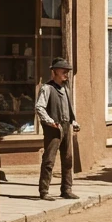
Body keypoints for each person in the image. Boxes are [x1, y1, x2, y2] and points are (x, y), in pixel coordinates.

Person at [35, 57, 80, 201]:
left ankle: (66, 189)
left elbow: (68, 109)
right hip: (53, 128)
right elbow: (39, 107)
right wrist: (49, 121)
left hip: (66, 127)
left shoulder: (66, 89)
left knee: (67, 159)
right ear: (55, 72)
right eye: (63, 72)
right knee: (49, 160)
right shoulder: (47, 88)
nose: (66, 74)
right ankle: (44, 191)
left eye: (67, 72)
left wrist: (74, 121)